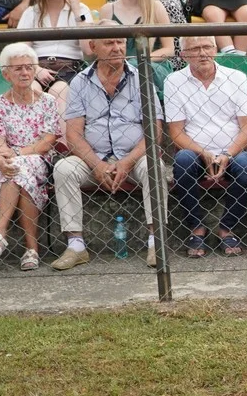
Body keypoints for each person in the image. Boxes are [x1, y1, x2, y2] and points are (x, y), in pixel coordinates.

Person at [51, 28, 165, 271]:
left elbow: (154, 131)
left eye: (120, 42)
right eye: (109, 42)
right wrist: (97, 164)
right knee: (64, 168)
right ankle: (76, 245)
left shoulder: (142, 77)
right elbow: (73, 134)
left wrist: (127, 162)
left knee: (154, 166)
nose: (117, 48)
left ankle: (157, 242)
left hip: (134, 158)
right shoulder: (80, 81)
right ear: (93, 47)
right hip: (94, 159)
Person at [165, 35, 247, 257]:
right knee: (183, 161)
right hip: (196, 152)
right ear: (183, 55)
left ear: (216, 50)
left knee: (246, 167)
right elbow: (176, 132)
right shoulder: (173, 81)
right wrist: (203, 153)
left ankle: (227, 227)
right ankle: (196, 228)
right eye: (195, 49)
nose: (203, 53)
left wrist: (227, 154)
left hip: (234, 151)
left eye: (207, 47)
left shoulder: (236, 78)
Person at [0, 43, 57, 271]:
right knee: (16, 170)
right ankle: (32, 250)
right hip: (12, 162)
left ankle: (0, 231)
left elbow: (47, 142)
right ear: (6, 74)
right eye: (18, 69)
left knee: (17, 166)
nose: (25, 73)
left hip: (39, 158)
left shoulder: (47, 101)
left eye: (29, 67)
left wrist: (13, 153)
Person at [16, 0, 94, 127]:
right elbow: (21, 50)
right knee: (32, 91)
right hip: (37, 66)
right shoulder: (32, 12)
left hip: (70, 67)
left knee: (57, 92)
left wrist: (77, 12)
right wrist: (36, 69)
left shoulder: (81, 10)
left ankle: (62, 146)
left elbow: (88, 49)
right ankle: (33, 144)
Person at [98, 0, 178, 90]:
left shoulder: (156, 8)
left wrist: (137, 61)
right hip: (117, 67)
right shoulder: (107, 10)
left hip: (151, 65)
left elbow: (169, 49)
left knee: (135, 69)